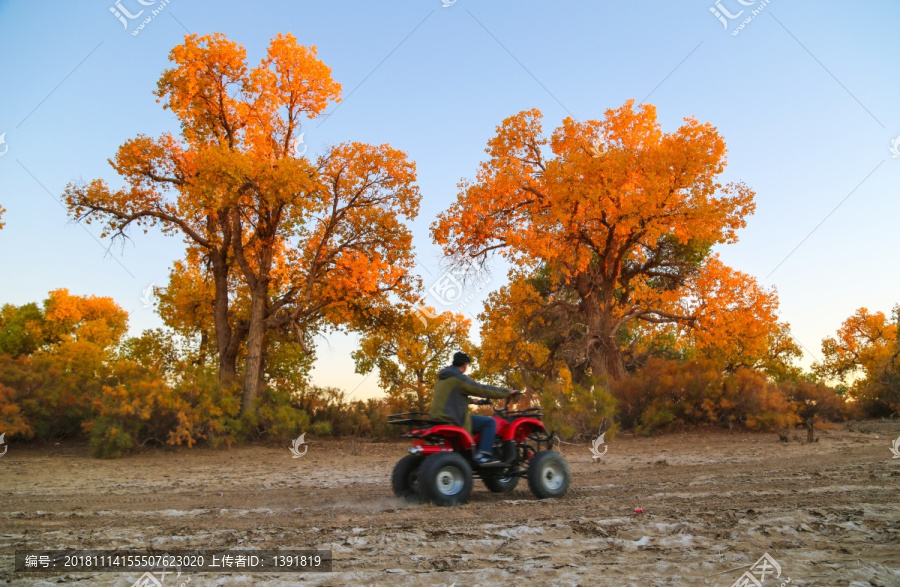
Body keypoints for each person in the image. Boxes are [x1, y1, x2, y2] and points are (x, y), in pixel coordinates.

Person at [429, 351, 518, 465]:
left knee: (481, 421)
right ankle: (484, 455)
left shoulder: (444, 377)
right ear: (465, 365)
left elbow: (453, 396)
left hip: (437, 417)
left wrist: (473, 401)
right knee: (490, 422)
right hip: (453, 419)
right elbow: (482, 389)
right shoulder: (459, 378)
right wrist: (507, 392)